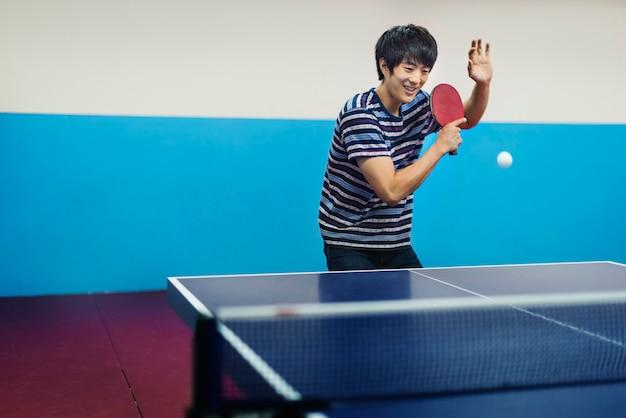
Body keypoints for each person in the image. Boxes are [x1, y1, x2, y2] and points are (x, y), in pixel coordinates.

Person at [318, 24, 493, 271]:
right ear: (384, 66)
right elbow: (390, 191)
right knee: (362, 311)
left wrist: (483, 85)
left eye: (424, 70)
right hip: (349, 240)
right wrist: (439, 147)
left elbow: (465, 118)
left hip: (395, 241)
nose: (417, 79)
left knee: (410, 310)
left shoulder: (419, 103)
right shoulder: (361, 114)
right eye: (408, 68)